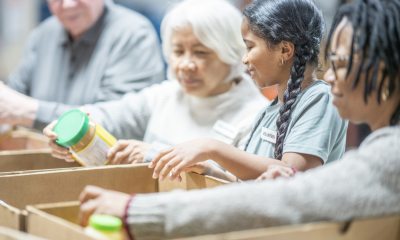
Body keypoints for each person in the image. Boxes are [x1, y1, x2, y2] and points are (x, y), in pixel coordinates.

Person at [77, 0, 400, 239]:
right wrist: (211, 168)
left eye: (341, 62)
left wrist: (137, 211)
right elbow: (261, 185)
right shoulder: (268, 109)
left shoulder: (385, 153)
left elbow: (295, 194)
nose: (330, 75)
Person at [44, 0, 267, 179]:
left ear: (232, 53)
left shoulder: (256, 117)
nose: (185, 65)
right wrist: (66, 126)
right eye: (178, 52)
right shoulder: (164, 95)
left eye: (201, 53)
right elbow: (110, 115)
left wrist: (154, 154)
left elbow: (245, 191)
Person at [149, 0, 347, 181]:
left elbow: (291, 175)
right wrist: (211, 171)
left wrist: (211, 148)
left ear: (285, 51)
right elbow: (250, 184)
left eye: (250, 47)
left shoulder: (319, 98)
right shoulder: (268, 111)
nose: (244, 59)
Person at [0, 0, 164, 130]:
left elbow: (119, 123)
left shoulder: (133, 35)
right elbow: (12, 99)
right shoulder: (42, 35)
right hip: (41, 161)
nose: (67, 4)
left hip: (105, 167)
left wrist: (30, 112)